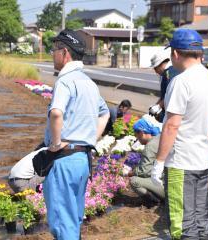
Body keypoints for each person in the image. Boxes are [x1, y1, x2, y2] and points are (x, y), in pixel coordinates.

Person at [151, 29, 208, 239]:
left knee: (183, 224)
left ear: (175, 54)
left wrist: (159, 162)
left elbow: (172, 125)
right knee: (201, 218)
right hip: (203, 159)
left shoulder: (180, 82)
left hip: (181, 163)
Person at [43, 29, 110, 239]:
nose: (52, 54)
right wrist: (92, 138)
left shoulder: (65, 81)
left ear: (65, 52)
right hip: (82, 158)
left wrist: (55, 143)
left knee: (62, 223)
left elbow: (56, 113)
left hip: (64, 159)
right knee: (73, 219)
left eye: (54, 49)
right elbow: (105, 113)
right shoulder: (88, 83)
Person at [125, 116, 164, 207]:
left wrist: (130, 173)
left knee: (134, 181)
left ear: (142, 133)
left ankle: (154, 201)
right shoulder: (159, 137)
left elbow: (144, 171)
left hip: (165, 186)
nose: (138, 139)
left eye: (137, 136)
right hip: (171, 180)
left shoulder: (150, 147)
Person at [149, 50, 179, 122]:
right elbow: (164, 95)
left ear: (160, 64)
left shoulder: (170, 73)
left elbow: (171, 94)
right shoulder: (166, 73)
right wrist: (156, 105)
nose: (155, 71)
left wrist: (159, 106)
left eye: (155, 68)